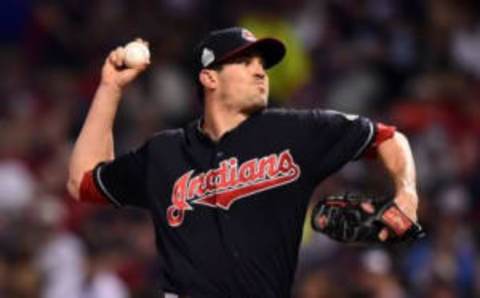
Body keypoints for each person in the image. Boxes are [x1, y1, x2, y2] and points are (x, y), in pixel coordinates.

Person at [67, 27, 420, 298]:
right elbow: (83, 182)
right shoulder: (165, 153)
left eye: (262, 64)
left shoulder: (297, 132)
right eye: (244, 62)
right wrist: (110, 89)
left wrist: (407, 193)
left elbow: (388, 138)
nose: (260, 72)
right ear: (209, 77)